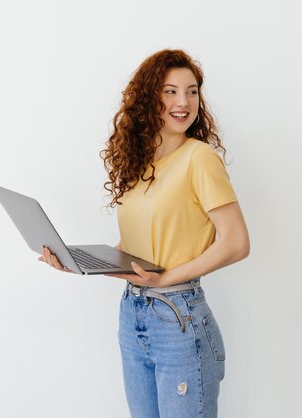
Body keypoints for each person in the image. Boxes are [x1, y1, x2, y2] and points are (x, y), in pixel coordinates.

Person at [39, 49, 250, 418]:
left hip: (178, 316)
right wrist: (79, 263)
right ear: (149, 97)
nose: (183, 102)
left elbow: (236, 243)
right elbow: (133, 251)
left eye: (192, 91)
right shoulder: (140, 166)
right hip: (133, 312)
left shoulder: (199, 158)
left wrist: (165, 278)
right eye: (170, 91)